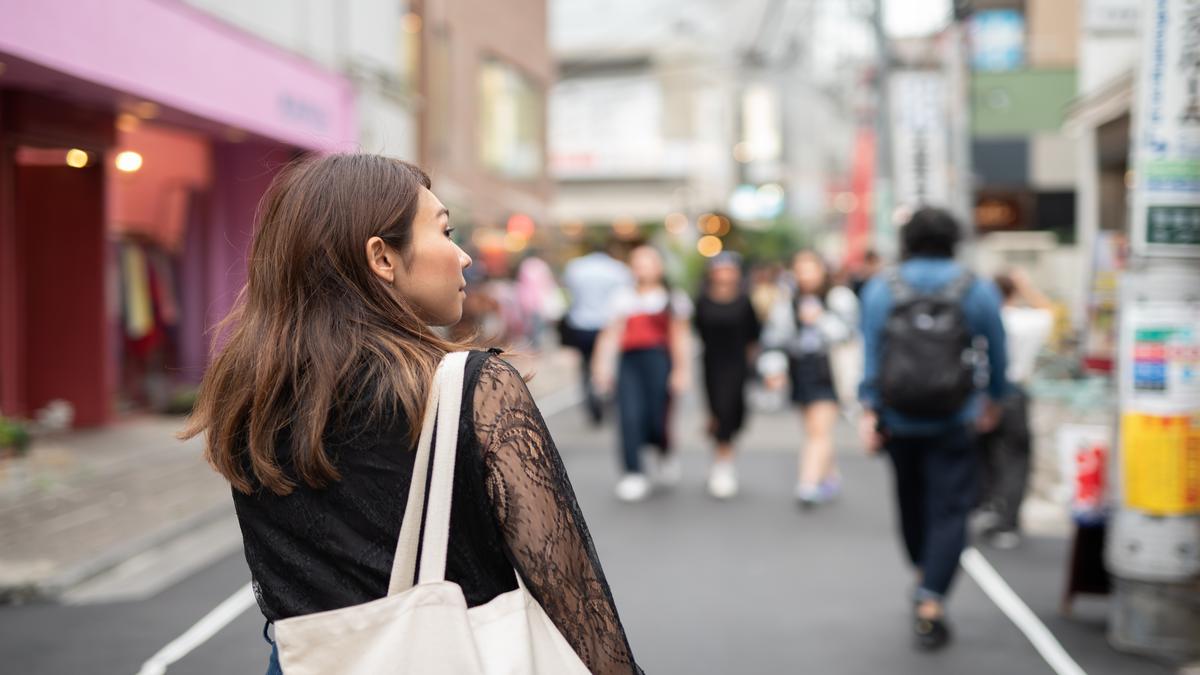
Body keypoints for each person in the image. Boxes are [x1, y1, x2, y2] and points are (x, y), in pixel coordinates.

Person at [180, 154, 641, 675]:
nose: (464, 256)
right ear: (382, 257)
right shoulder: (472, 389)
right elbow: (572, 591)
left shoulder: (249, 394)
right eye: (446, 232)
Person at [858, 207, 1008, 651]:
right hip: (953, 415)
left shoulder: (882, 288)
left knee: (910, 500)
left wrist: (869, 408)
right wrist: (993, 399)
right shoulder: (973, 287)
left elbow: (871, 352)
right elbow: (996, 350)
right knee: (950, 509)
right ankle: (931, 598)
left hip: (897, 416)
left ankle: (925, 573)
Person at [592, 244, 693, 502]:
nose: (642, 268)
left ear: (659, 267)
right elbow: (610, 335)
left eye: (648, 262)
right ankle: (633, 471)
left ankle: (664, 450)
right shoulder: (622, 298)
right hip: (630, 363)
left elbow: (680, 337)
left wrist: (682, 370)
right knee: (629, 415)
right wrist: (601, 368)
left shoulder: (673, 298)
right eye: (637, 263)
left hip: (659, 361)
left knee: (658, 416)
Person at [762, 250, 859, 507]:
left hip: (830, 369)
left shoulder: (838, 297)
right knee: (813, 428)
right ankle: (830, 475)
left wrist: (820, 319)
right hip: (801, 368)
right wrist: (774, 369)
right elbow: (776, 338)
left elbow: (849, 334)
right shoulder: (788, 301)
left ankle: (808, 482)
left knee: (818, 429)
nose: (805, 275)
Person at [977, 269, 1054, 549]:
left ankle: (985, 505)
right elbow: (1049, 310)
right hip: (1014, 392)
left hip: (983, 394)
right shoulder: (1026, 320)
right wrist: (1026, 288)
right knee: (1016, 458)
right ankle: (1006, 523)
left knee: (982, 452)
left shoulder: (982, 320)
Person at [693, 252, 762, 499]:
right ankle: (720, 461)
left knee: (730, 411)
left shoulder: (744, 301)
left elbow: (753, 336)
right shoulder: (703, 301)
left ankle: (725, 462)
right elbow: (698, 329)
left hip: (737, 365)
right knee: (716, 411)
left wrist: (754, 367)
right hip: (712, 363)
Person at [561, 240, 634, 425]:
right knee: (609, 363)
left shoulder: (576, 268)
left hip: (581, 323)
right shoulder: (618, 269)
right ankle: (607, 398)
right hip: (606, 324)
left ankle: (591, 402)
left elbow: (569, 292)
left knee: (585, 366)